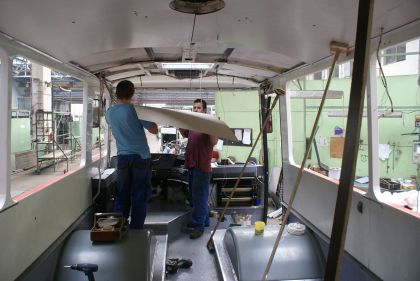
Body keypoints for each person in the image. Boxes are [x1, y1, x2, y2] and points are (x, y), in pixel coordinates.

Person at [105, 80, 158, 229]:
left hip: (122, 158)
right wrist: (154, 120)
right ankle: (136, 228)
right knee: (139, 193)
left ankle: (119, 225)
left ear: (116, 94)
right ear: (132, 93)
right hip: (140, 158)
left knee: (122, 193)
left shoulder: (109, 113)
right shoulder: (136, 111)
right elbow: (153, 129)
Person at [180, 99, 218, 239]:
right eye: (194, 108)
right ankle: (204, 220)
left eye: (199, 108)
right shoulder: (192, 125)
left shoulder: (208, 124)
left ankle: (199, 227)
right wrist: (180, 123)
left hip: (202, 167)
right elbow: (185, 134)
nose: (196, 110)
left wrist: (210, 126)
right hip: (191, 165)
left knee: (199, 198)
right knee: (193, 196)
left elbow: (214, 141)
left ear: (205, 110)